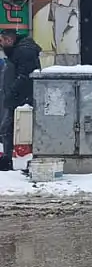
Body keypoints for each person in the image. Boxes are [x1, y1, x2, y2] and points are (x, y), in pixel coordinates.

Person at [0, 29, 40, 172]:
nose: (1, 44)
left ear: (10, 40)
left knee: (10, 129)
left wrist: (12, 92)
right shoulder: (20, 50)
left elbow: (24, 76)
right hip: (18, 97)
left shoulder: (24, 51)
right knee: (9, 128)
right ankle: (6, 159)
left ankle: (7, 160)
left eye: (3, 40)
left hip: (22, 98)